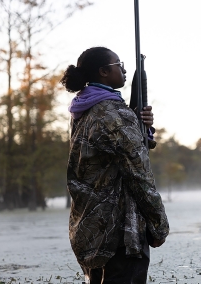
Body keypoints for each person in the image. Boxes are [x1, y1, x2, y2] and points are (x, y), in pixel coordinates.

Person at [60, 47, 169, 284]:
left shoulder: (84, 108)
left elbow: (111, 151)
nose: (124, 69)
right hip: (120, 231)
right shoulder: (113, 112)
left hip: (90, 227)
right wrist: (159, 223)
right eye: (119, 64)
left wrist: (141, 127)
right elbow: (139, 173)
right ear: (104, 72)